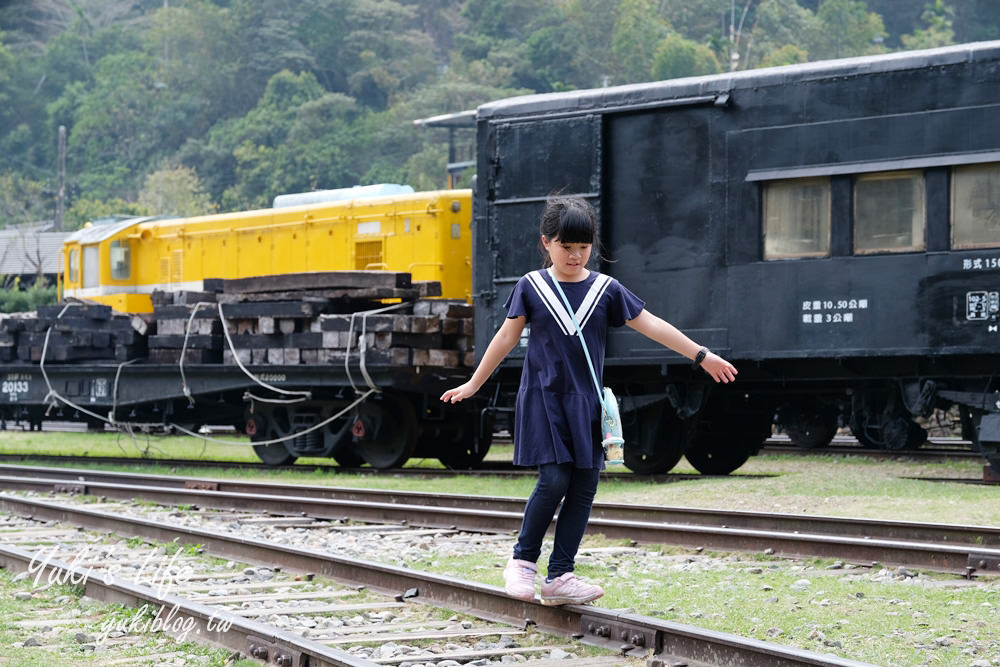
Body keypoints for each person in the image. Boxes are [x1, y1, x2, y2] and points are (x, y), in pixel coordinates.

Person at [440, 196, 737, 605]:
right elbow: (506, 337)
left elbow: (651, 325)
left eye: (583, 247)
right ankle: (522, 562)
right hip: (543, 398)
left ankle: (560, 575)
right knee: (555, 479)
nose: (576, 255)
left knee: (584, 486)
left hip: (586, 403)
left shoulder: (604, 289)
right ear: (547, 242)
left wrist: (701, 355)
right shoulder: (532, 286)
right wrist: (474, 383)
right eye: (566, 247)